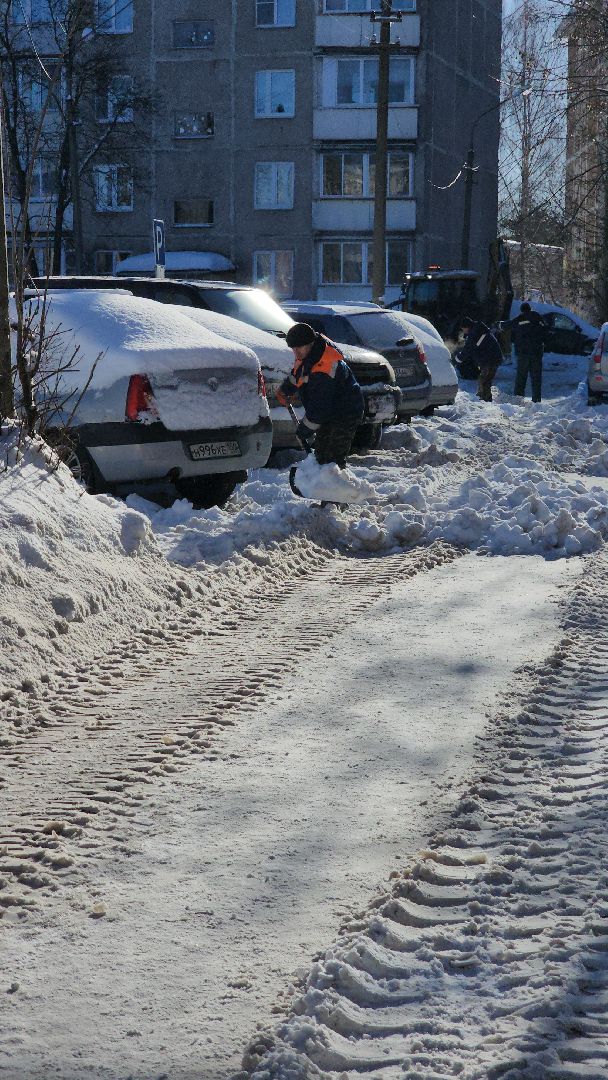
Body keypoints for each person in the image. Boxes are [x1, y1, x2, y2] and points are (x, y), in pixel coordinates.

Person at [276, 322, 364, 468]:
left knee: (331, 459)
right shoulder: (309, 354)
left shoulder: (325, 366)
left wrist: (304, 430)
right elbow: (299, 374)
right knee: (321, 455)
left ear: (310, 343)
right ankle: (323, 479)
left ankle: (334, 480)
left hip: (345, 413)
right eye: (293, 348)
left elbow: (320, 408)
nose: (296, 352)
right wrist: (286, 390)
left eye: (298, 348)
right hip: (329, 411)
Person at [500, 301, 547, 403]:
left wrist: (500, 324)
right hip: (536, 352)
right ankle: (536, 400)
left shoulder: (521, 318)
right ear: (530, 309)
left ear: (522, 310)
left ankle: (518, 399)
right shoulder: (539, 318)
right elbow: (545, 331)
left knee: (521, 377)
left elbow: (509, 325)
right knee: (536, 378)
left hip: (523, 353)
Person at [456, 316, 503, 402]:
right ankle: (482, 398)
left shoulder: (475, 333)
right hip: (492, 358)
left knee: (484, 380)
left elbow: (468, 348)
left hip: (490, 359)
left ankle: (485, 400)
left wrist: (458, 358)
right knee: (485, 380)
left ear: (467, 327)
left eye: (463, 329)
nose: (463, 331)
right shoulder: (477, 329)